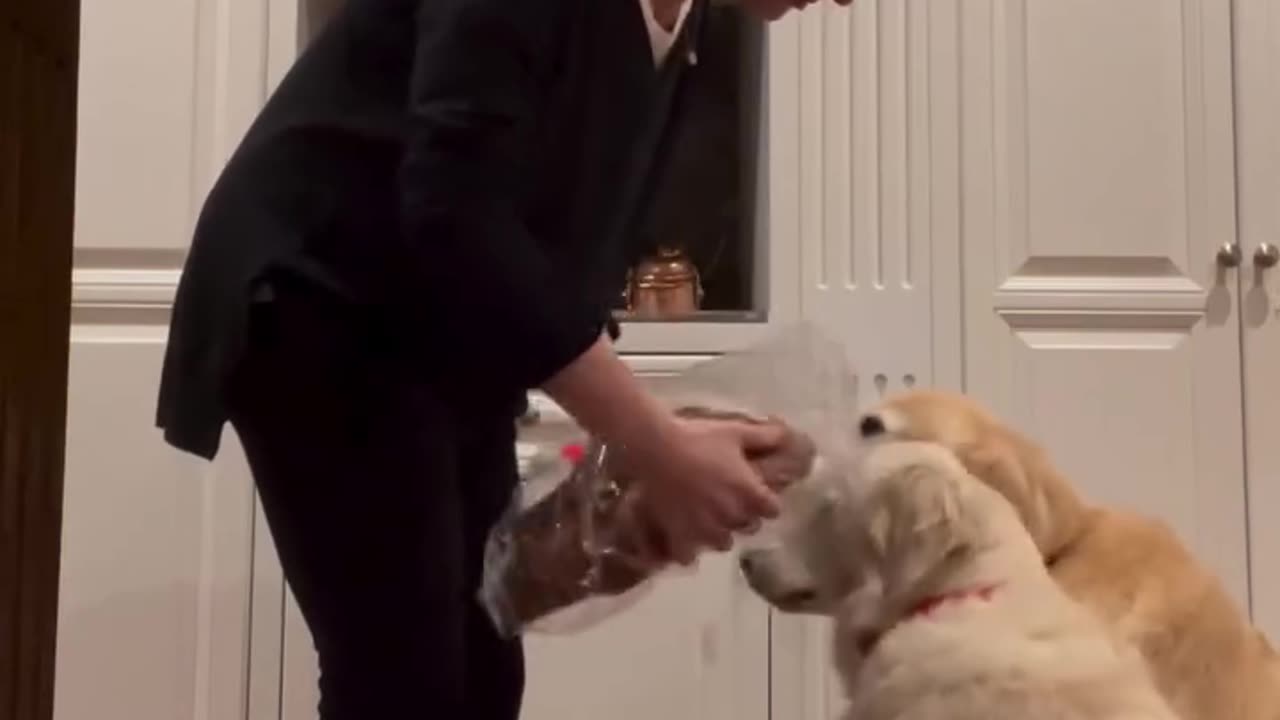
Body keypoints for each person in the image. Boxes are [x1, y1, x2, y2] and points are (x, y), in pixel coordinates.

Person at [156, 0, 847, 718]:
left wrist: (639, 462)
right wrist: (655, 445)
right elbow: (457, 214)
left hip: (434, 327)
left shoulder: (682, 21)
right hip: (322, 302)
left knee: (483, 671)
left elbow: (546, 231)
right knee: (404, 681)